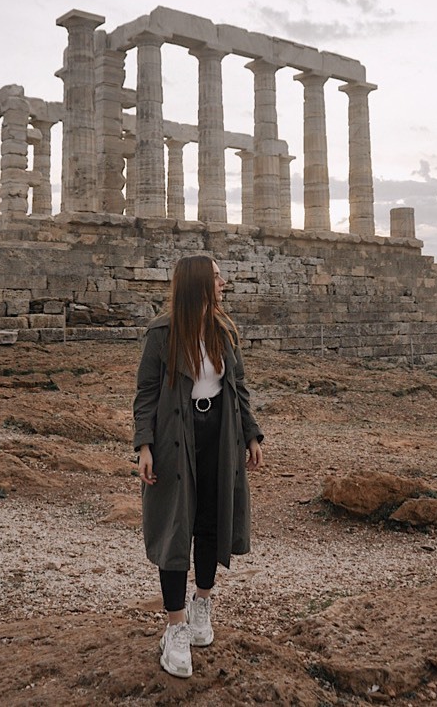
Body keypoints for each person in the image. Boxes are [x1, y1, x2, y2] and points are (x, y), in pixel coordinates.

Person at [133, 255, 264, 678]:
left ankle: (201, 605)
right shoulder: (162, 332)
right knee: (175, 526)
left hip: (218, 433)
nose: (224, 283)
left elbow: (238, 385)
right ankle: (175, 629)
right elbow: (146, 394)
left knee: (211, 521)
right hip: (176, 434)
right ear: (197, 285)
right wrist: (144, 446)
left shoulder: (224, 330)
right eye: (216, 278)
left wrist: (251, 433)